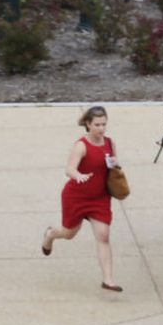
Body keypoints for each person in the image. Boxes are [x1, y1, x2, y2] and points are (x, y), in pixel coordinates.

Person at [41, 106, 123, 292]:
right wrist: (77, 175)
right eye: (97, 125)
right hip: (76, 196)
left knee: (103, 235)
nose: (101, 129)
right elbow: (69, 168)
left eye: (104, 124)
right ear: (88, 124)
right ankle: (50, 235)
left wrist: (116, 163)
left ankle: (108, 280)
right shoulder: (81, 145)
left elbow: (114, 161)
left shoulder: (109, 143)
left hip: (100, 197)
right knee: (69, 233)